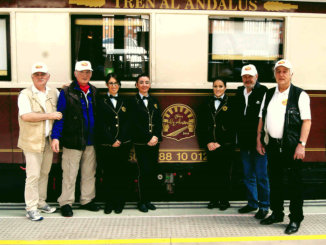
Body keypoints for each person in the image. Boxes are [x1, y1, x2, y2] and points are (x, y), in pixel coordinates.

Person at [257, 59, 311, 234]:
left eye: (285, 71)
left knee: (295, 184)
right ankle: (277, 213)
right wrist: (259, 139)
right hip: (273, 145)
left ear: (291, 74)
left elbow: (306, 121)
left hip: (292, 146)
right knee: (275, 181)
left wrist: (301, 145)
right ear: (274, 74)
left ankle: (295, 219)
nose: (281, 74)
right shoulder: (269, 94)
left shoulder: (300, 95)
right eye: (278, 71)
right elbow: (261, 118)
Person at [51, 60, 100, 217]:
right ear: (75, 73)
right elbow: (60, 116)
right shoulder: (66, 92)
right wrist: (56, 137)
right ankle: (66, 202)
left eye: (87, 72)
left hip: (91, 140)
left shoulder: (94, 91)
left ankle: (87, 200)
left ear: (91, 74)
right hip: (72, 140)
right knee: (70, 173)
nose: (85, 75)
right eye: (82, 72)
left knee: (88, 172)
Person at [17, 62, 62, 221]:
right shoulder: (25, 94)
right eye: (37, 75)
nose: (40, 77)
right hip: (32, 141)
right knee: (33, 175)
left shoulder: (54, 92)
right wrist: (49, 116)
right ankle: (31, 207)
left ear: (48, 76)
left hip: (47, 140)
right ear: (32, 77)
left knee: (44, 173)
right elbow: (26, 116)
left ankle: (41, 202)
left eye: (43, 74)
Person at [234, 64, 270, 219]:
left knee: (262, 175)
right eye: (245, 76)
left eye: (250, 76)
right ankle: (252, 203)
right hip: (244, 141)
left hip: (259, 142)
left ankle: (264, 206)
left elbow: (266, 117)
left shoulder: (264, 92)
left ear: (257, 77)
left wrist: (261, 140)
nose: (247, 79)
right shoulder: (239, 92)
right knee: (248, 174)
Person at [96, 73, 131, 214]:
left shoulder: (126, 101)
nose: (114, 86)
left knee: (121, 174)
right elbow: (100, 124)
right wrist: (111, 140)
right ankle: (109, 203)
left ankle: (119, 202)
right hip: (107, 144)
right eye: (111, 83)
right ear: (106, 85)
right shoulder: (101, 101)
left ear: (119, 85)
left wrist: (120, 139)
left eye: (116, 83)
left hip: (123, 144)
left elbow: (128, 123)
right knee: (109, 174)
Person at [198, 78, 235, 211]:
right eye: (215, 86)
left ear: (225, 87)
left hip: (225, 145)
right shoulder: (206, 103)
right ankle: (213, 199)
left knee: (224, 173)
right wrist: (208, 142)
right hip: (210, 145)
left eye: (220, 86)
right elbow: (201, 126)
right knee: (212, 173)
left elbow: (233, 127)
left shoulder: (232, 103)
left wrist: (221, 142)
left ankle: (224, 200)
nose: (217, 89)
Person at [128, 74, 162, 213]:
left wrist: (156, 136)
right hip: (142, 142)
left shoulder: (154, 101)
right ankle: (141, 201)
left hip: (154, 142)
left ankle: (148, 200)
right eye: (141, 82)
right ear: (136, 85)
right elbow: (134, 123)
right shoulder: (132, 101)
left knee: (152, 171)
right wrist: (148, 137)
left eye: (146, 82)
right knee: (143, 171)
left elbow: (159, 121)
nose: (144, 85)